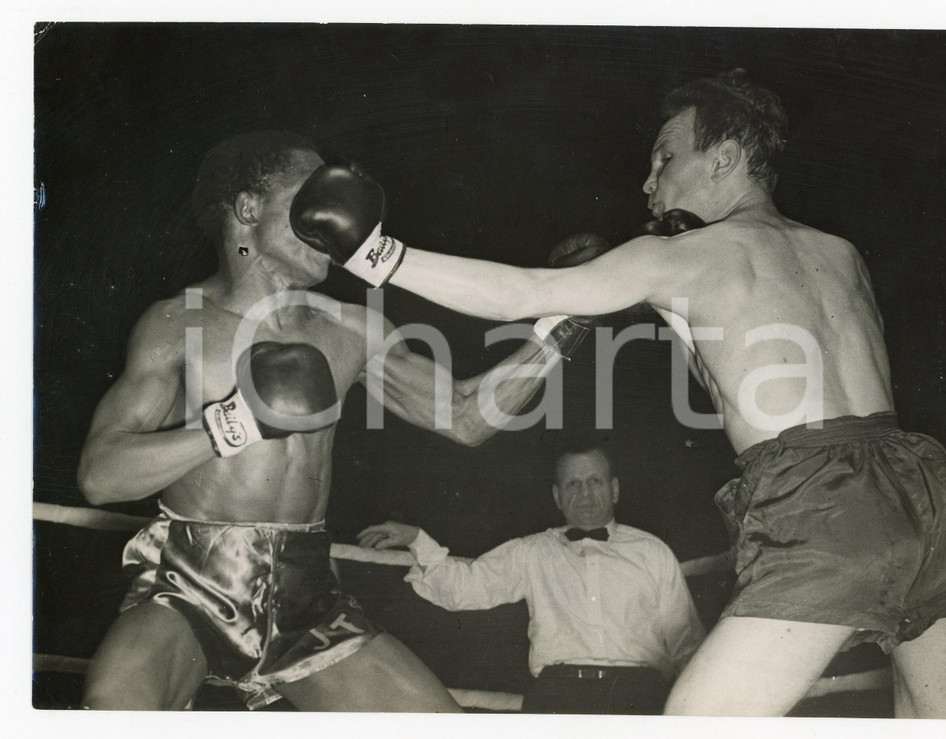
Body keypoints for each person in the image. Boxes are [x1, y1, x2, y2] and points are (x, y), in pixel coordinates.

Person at [292, 69, 946, 717]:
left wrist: (379, 256)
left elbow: (520, 293)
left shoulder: (681, 257)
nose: (649, 181)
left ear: (726, 157)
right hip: (929, 494)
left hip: (823, 504)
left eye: (665, 158)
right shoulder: (840, 251)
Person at [76, 130, 595, 711]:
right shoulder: (178, 323)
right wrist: (235, 423)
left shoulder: (350, 327)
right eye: (314, 197)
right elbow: (100, 475)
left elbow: (466, 417)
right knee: (114, 707)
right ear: (248, 209)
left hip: (308, 600)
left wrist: (567, 325)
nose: (338, 218)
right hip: (189, 587)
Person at [357, 444, 705, 714]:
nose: (584, 493)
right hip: (558, 696)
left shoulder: (652, 551)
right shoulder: (533, 551)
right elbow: (465, 588)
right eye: (573, 483)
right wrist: (417, 538)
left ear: (614, 489)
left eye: (594, 481)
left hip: (639, 698)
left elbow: (686, 645)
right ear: (557, 496)